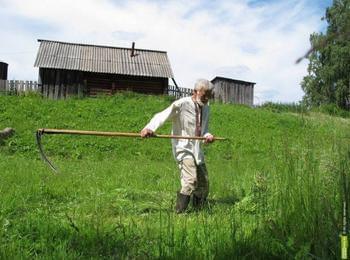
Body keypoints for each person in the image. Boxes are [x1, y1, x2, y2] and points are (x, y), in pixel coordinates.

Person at [140, 79, 216, 213]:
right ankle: (180, 213)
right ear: (195, 92)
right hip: (183, 147)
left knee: (204, 183)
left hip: (197, 150)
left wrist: (207, 136)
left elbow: (204, 129)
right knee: (190, 180)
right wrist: (149, 129)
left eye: (209, 96)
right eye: (204, 95)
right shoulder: (182, 104)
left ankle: (198, 212)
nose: (206, 99)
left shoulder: (206, 107)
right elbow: (161, 116)